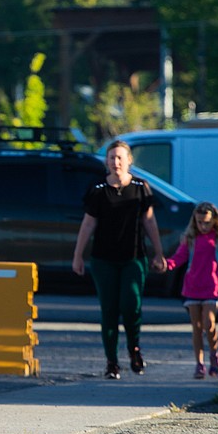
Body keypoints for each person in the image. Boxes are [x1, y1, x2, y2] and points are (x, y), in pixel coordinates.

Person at [71, 140, 167, 380]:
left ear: (129, 161)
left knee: (131, 305)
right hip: (104, 259)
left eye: (120, 158)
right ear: (106, 161)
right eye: (111, 158)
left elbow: (149, 222)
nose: (115, 162)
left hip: (134, 258)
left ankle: (134, 348)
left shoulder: (141, 187)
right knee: (109, 311)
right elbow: (88, 223)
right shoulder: (98, 189)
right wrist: (78, 255)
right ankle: (112, 362)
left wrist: (158, 252)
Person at [164, 201, 218, 379]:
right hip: (192, 287)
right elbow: (178, 258)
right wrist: (166, 264)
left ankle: (214, 355)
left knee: (209, 324)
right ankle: (199, 363)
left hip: (212, 288)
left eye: (207, 222)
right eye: (200, 222)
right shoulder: (190, 239)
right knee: (196, 328)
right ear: (194, 222)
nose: (203, 226)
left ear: (214, 220)